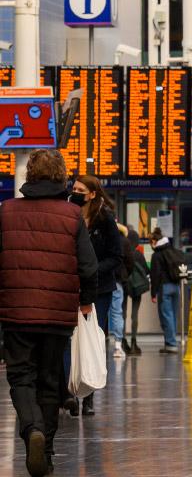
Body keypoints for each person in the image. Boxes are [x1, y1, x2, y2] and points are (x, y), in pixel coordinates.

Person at [0, 149, 98, 477]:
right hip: (58, 315)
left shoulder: (6, 211)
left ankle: (32, 432)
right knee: (49, 380)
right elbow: (88, 266)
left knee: (21, 377)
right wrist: (85, 300)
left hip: (15, 311)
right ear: (61, 176)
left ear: (30, 175)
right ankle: (49, 451)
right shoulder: (71, 216)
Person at [68, 175, 123, 416]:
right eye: (74, 188)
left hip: (99, 289)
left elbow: (116, 256)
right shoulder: (68, 213)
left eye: (81, 189)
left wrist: (92, 269)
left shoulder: (105, 219)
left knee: (93, 338)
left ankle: (88, 395)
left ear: (92, 194)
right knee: (70, 340)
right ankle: (70, 393)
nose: (75, 192)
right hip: (71, 287)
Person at [149, 227, 185, 354]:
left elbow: (155, 275)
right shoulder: (172, 250)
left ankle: (171, 344)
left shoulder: (157, 255)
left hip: (165, 287)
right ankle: (171, 341)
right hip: (176, 286)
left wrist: (153, 293)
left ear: (154, 241)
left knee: (166, 316)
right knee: (173, 316)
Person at [123, 228, 148, 355]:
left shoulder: (124, 251)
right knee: (134, 314)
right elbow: (146, 271)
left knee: (122, 314)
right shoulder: (139, 255)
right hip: (137, 287)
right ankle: (134, 342)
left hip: (124, 285)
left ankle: (122, 341)